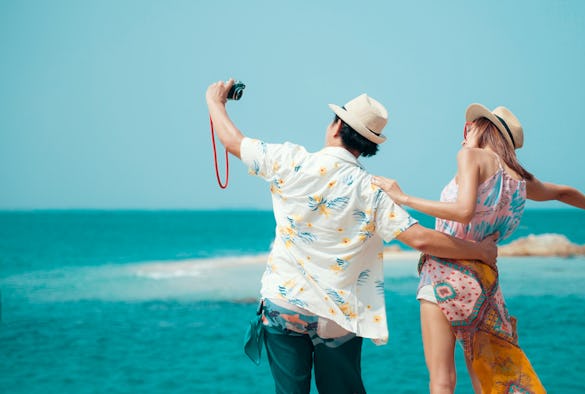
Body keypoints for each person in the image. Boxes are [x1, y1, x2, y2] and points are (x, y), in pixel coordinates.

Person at [205, 79, 499, 394]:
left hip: (284, 302)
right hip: (339, 315)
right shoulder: (371, 189)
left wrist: (215, 102)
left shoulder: (289, 160)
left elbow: (233, 142)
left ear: (335, 127)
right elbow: (422, 239)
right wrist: (479, 251)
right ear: (368, 146)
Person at [371, 103, 585, 394]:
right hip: (483, 282)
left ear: (481, 129)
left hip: (443, 273)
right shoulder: (519, 179)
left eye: (470, 126)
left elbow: (463, 211)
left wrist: (403, 197)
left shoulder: (470, 156)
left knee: (442, 380)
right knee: (489, 380)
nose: (465, 132)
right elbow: (562, 192)